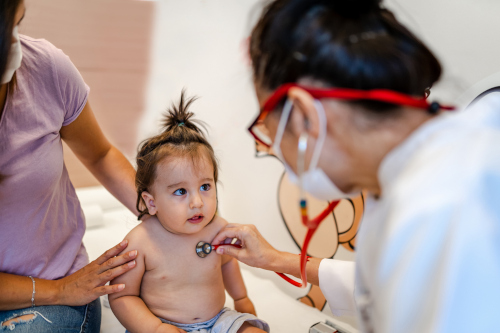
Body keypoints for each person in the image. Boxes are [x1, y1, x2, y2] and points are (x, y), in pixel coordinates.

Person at [212, 0, 500, 332]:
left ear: (305, 116)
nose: (276, 149)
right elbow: (380, 282)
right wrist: (273, 258)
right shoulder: (408, 179)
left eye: (269, 129)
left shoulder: (440, 209)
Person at [0, 1, 139, 331]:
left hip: (60, 290)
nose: (20, 45)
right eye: (9, 34)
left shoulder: (46, 68)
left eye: (19, 25)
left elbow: (100, 155)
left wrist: (161, 212)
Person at [108, 93, 269, 333]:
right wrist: (155, 328)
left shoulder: (217, 229)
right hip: (163, 325)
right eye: (180, 191)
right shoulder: (140, 242)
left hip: (218, 321)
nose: (197, 202)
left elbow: (226, 263)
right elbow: (122, 297)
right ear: (151, 203)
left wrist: (241, 298)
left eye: (205, 187)